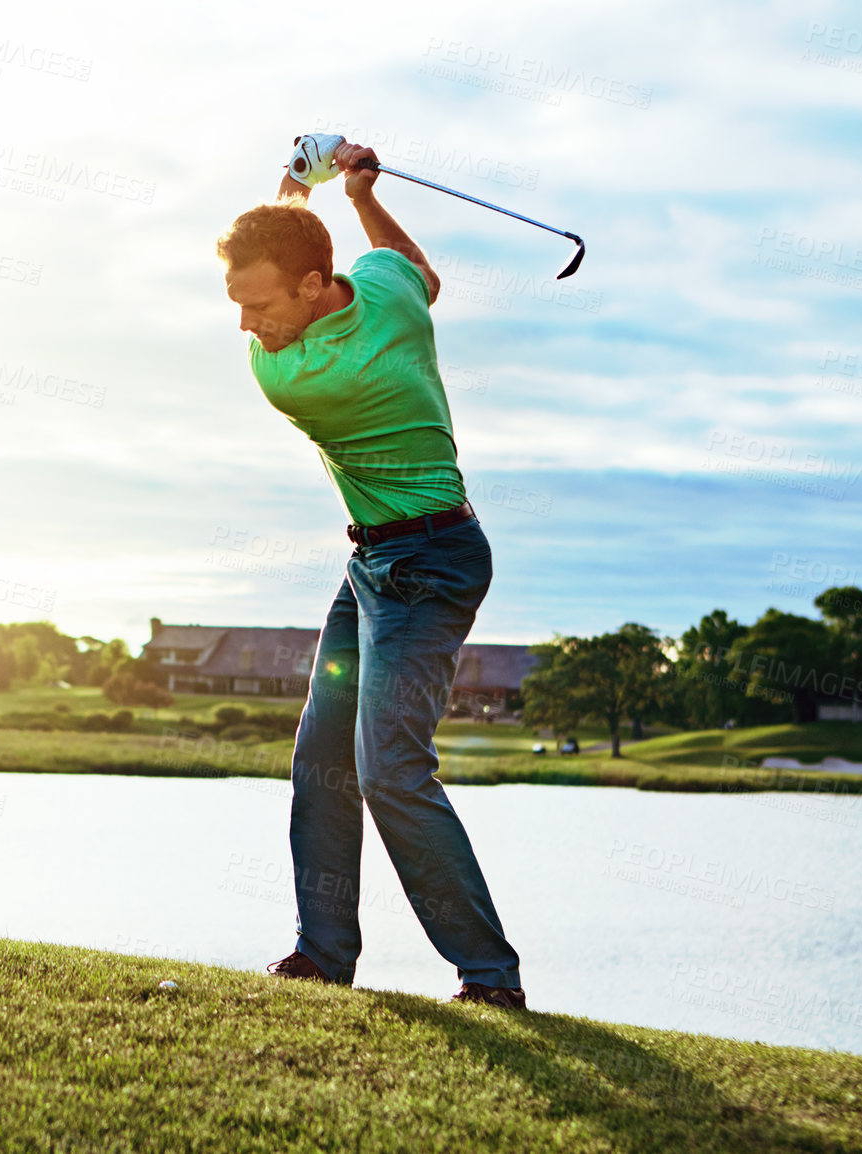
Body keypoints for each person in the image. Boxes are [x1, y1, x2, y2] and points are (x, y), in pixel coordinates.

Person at [215, 136, 525, 1009]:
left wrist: (299, 184)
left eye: (258, 305)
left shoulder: (302, 374)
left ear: (314, 289)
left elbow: (310, 251)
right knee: (321, 758)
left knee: (389, 767)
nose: (246, 326)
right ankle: (324, 955)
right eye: (236, 305)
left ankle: (490, 979)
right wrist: (356, 195)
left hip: (429, 567)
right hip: (376, 564)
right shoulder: (387, 294)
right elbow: (414, 270)